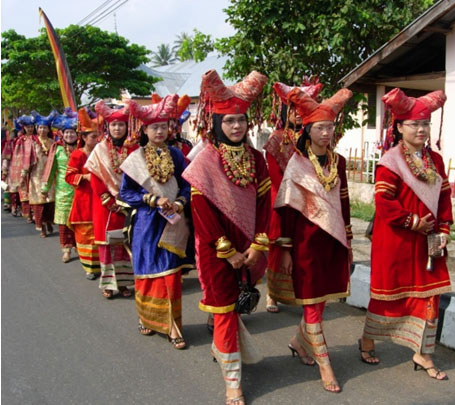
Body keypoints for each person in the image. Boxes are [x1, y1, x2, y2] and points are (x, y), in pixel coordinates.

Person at [183, 69, 270, 405]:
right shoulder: (205, 161)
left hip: (250, 245)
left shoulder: (257, 159)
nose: (237, 127)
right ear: (217, 124)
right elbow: (201, 213)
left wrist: (258, 243)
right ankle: (233, 383)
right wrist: (227, 250)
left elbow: (264, 204)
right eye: (230, 121)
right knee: (222, 310)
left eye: (242, 121)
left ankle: (225, 352)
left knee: (236, 308)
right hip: (215, 249)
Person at [360, 88, 452, 380]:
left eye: (425, 124)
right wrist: (413, 222)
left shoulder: (435, 161)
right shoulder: (390, 161)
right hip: (397, 240)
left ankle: (423, 353)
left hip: (429, 241)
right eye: (414, 124)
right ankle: (367, 340)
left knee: (431, 296)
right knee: (387, 295)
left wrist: (444, 228)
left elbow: (444, 198)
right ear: (399, 127)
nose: (421, 130)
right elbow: (384, 202)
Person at [270, 86, 353, 394]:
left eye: (330, 127)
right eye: (320, 128)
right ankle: (325, 364)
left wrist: (349, 242)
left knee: (322, 303)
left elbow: (344, 204)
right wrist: (287, 250)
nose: (326, 133)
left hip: (332, 241)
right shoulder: (297, 163)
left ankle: (299, 343)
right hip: (305, 244)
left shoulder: (339, 163)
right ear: (308, 130)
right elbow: (288, 213)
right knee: (312, 305)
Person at [119, 94, 191, 350]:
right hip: (146, 224)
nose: (160, 131)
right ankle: (147, 318)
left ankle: (173, 326)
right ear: (145, 130)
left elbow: (187, 184)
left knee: (171, 274)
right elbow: (125, 193)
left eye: (163, 126)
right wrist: (151, 199)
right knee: (148, 272)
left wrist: (180, 203)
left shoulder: (177, 154)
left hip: (173, 222)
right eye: (154, 127)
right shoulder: (135, 158)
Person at [263, 79, 323, 313]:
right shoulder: (276, 139)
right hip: (282, 199)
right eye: (295, 111)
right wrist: (294, 196)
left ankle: (300, 290)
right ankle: (272, 294)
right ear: (286, 111)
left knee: (304, 247)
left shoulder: (314, 139)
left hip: (311, 200)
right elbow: (274, 175)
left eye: (304, 111)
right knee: (278, 247)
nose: (299, 116)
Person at [85, 101, 137, 299]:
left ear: (127, 127)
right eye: (114, 125)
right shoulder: (99, 149)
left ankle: (124, 284)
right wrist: (108, 199)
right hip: (105, 206)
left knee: (124, 244)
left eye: (121, 125)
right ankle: (108, 284)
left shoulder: (133, 149)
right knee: (106, 245)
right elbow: (95, 177)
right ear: (108, 127)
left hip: (128, 204)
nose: (117, 128)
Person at [65, 108, 101, 280]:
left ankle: (102, 264)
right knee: (85, 235)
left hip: (100, 198)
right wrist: (84, 176)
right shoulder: (78, 155)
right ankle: (89, 267)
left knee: (100, 233)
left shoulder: (102, 153)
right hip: (84, 200)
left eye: (97, 136)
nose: (96, 139)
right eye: (92, 136)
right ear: (84, 138)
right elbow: (69, 176)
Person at [42, 112, 78, 262]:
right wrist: (45, 188)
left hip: (80, 190)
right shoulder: (56, 149)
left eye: (72, 132)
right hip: (62, 191)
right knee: (63, 224)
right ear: (62, 134)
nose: (69, 135)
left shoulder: (83, 148)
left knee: (80, 223)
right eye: (67, 132)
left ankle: (80, 248)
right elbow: (50, 170)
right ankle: (66, 250)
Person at [28, 111, 57, 236]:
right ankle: (43, 227)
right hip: (36, 175)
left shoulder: (53, 142)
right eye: (40, 127)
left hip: (51, 175)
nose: (42, 130)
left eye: (45, 127)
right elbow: (25, 158)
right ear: (36, 128)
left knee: (50, 202)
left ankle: (49, 221)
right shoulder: (32, 142)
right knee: (39, 202)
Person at [8, 115, 40, 223]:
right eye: (28, 127)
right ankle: (28, 215)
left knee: (35, 190)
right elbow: (17, 156)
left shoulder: (37, 138)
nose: (30, 129)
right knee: (24, 192)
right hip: (23, 169)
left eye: (31, 127)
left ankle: (35, 214)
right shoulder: (21, 140)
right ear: (24, 128)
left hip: (35, 169)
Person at [2, 127, 22, 216]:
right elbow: (6, 159)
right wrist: (4, 171)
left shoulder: (24, 143)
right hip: (12, 170)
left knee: (20, 191)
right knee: (13, 190)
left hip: (22, 169)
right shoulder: (10, 144)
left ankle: (18, 208)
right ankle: (13, 207)